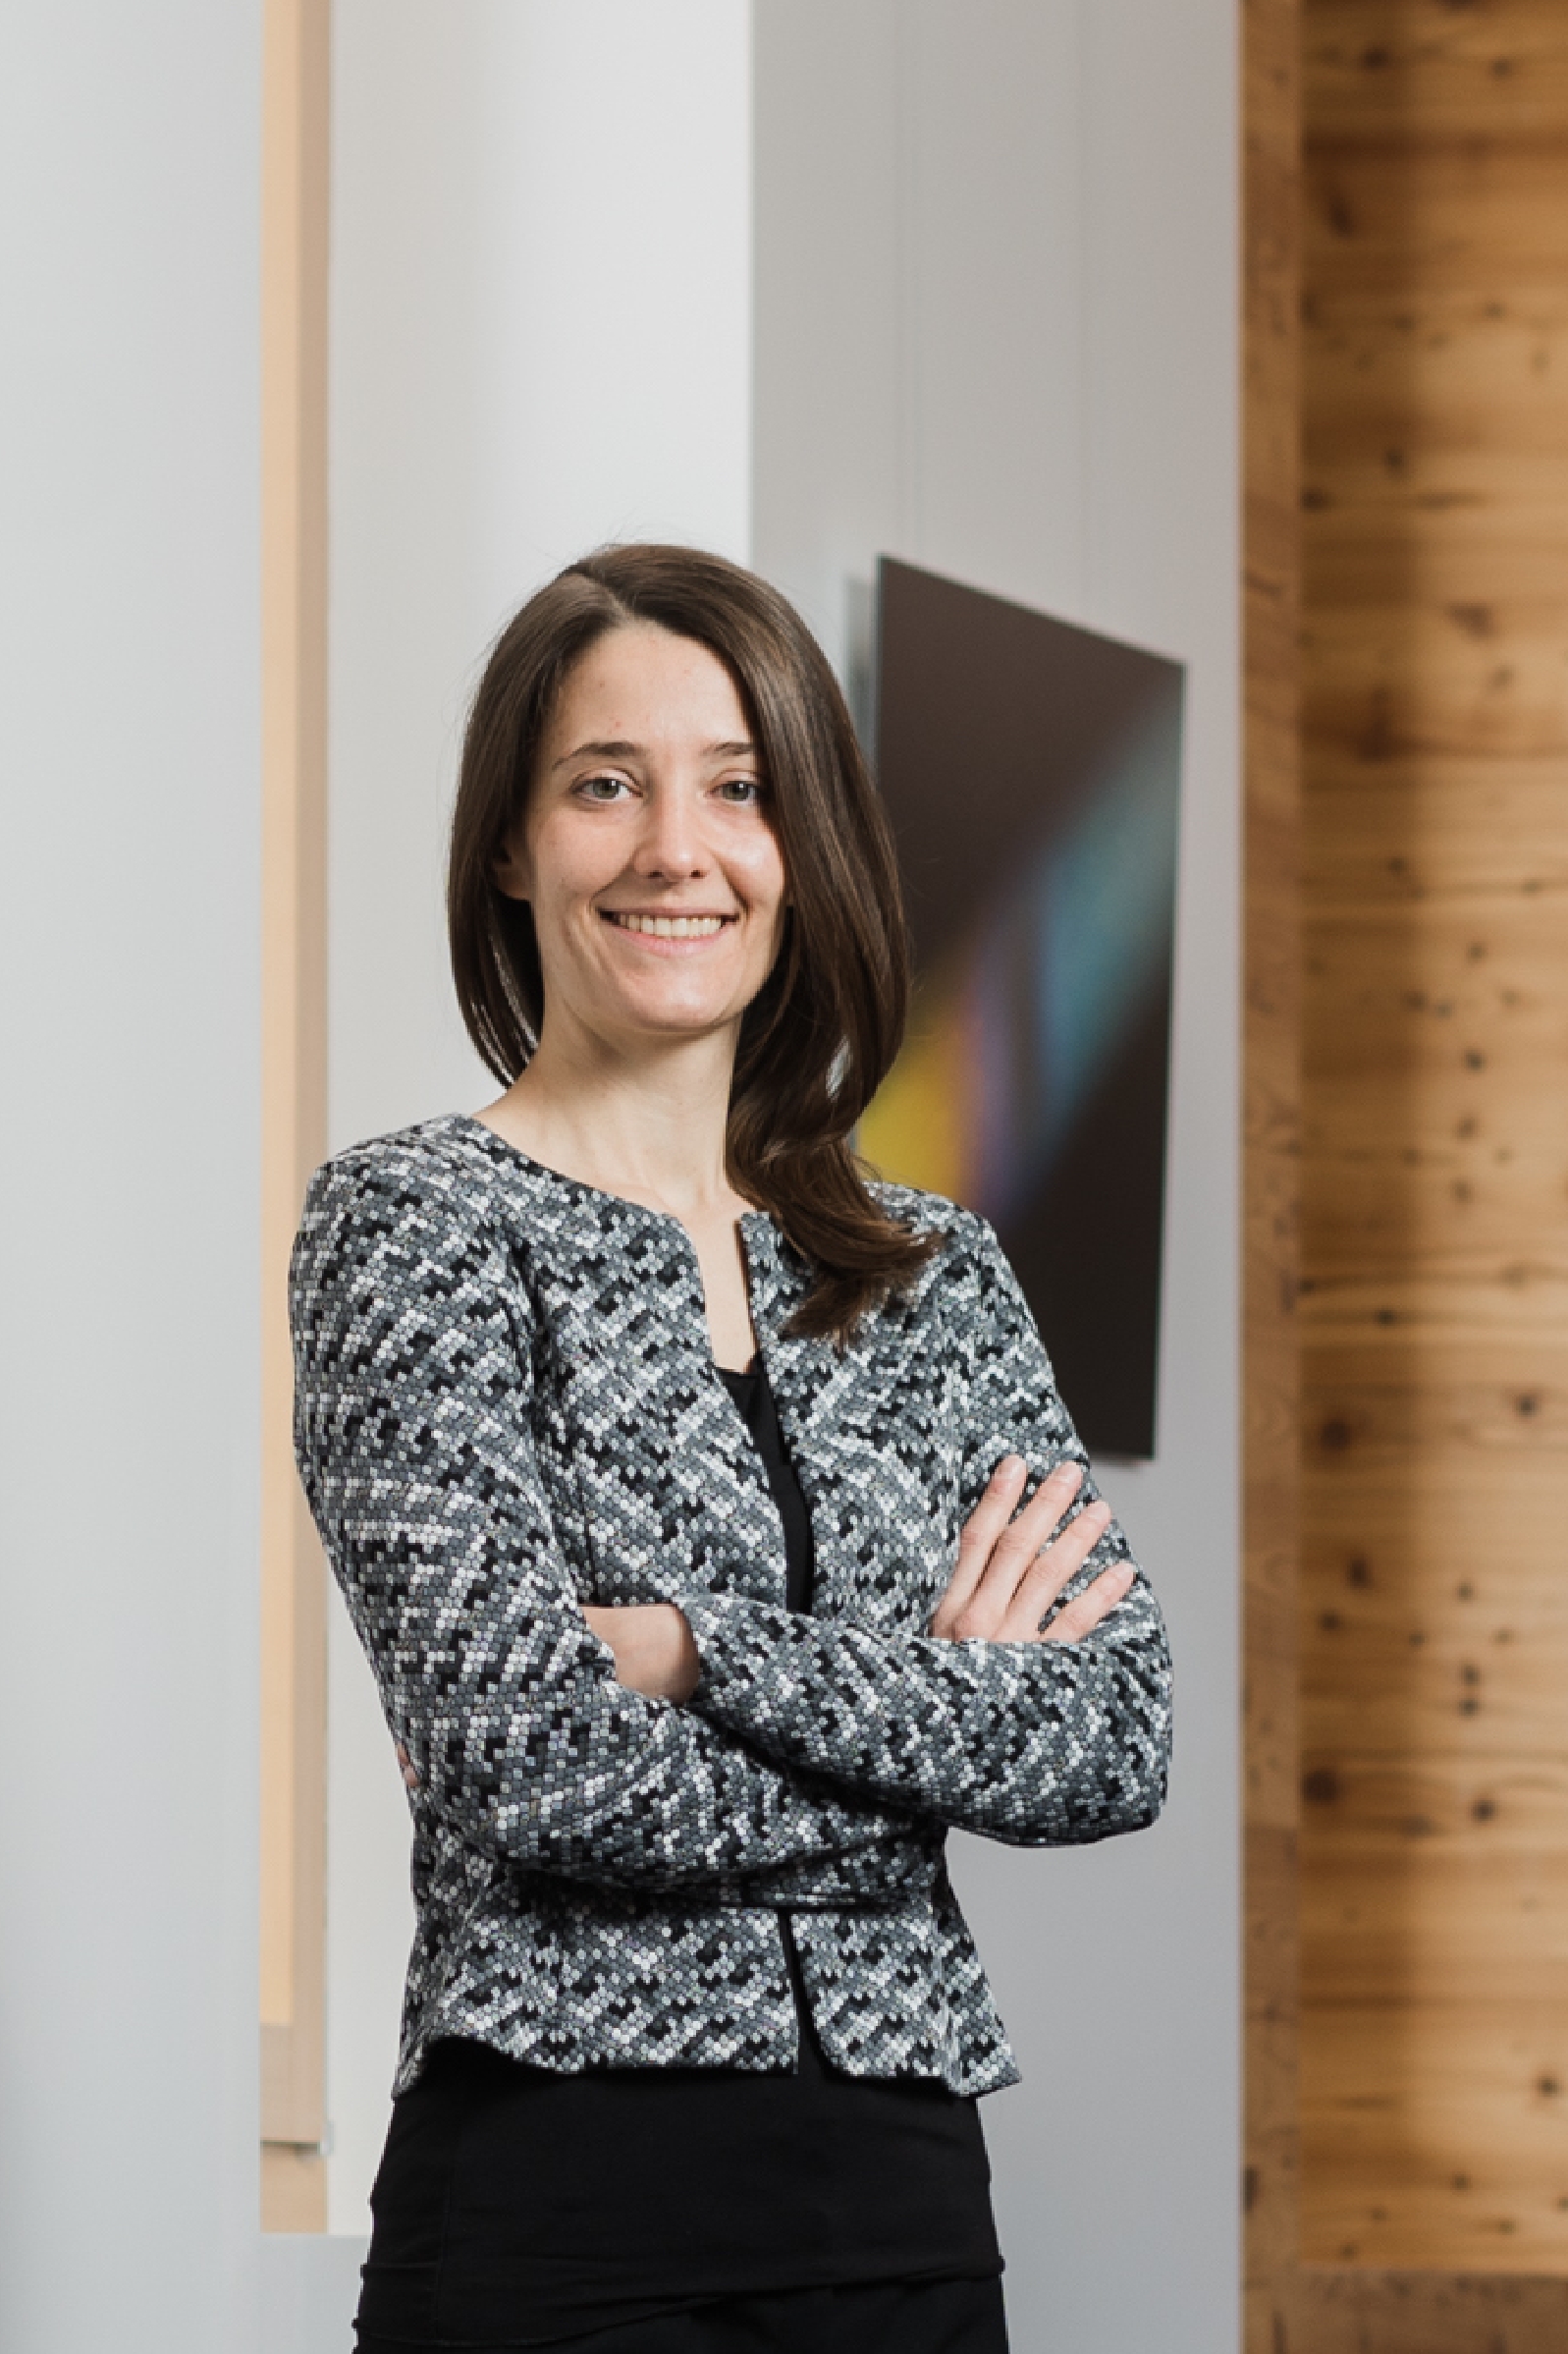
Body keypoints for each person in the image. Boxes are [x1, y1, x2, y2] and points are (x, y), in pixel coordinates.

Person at [291, 543, 1173, 2354]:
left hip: (907, 2218)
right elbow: (530, 1766)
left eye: (739, 789)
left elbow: (1114, 1732)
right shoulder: (414, 1227)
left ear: (804, 845)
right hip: (560, 2219)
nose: (675, 850)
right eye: (605, 785)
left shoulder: (928, 1270)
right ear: (511, 845)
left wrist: (700, 1653)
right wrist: (933, 1719)